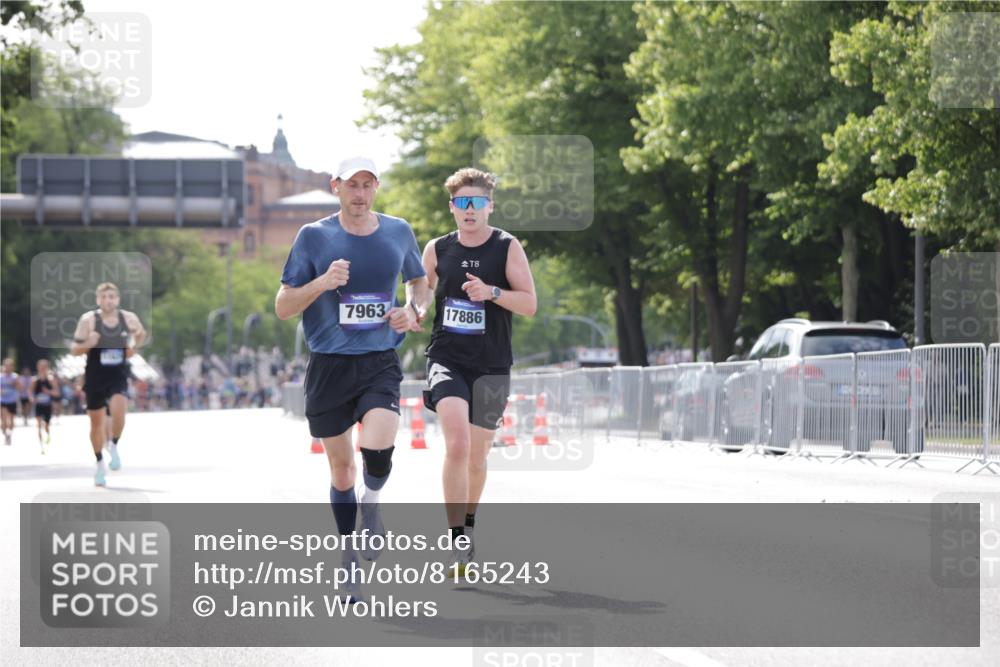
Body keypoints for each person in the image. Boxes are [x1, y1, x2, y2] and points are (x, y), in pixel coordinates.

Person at [275, 156, 430, 602]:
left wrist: (413, 311)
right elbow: (284, 306)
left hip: (379, 360)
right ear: (335, 187)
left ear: (376, 188)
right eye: (351, 185)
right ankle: (346, 563)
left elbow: (419, 283)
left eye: (368, 185)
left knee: (377, 448)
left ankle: (373, 504)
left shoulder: (398, 231)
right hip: (328, 365)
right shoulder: (314, 236)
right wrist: (322, 283)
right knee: (341, 469)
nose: (360, 194)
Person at [421, 168, 537, 575]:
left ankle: (468, 528)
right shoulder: (437, 249)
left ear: (489, 206)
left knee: (477, 454)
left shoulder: (507, 247)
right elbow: (419, 291)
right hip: (447, 358)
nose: (469, 211)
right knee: (456, 445)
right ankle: (456, 544)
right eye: (462, 203)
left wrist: (492, 293)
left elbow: (529, 304)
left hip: (491, 364)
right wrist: (414, 310)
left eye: (477, 203)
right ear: (452, 207)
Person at [70, 282, 146, 487]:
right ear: (98, 300)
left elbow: (140, 336)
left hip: (117, 374)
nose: (108, 301)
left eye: (112, 297)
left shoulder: (128, 318)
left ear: (118, 299)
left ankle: (113, 445)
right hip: (95, 376)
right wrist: (89, 343)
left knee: (119, 410)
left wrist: (135, 343)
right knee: (96, 423)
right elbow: (74, 350)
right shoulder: (88, 320)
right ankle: (99, 464)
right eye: (104, 297)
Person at [30, 359, 60, 453]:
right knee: (38, 425)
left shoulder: (51, 380)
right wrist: (32, 398)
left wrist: (48, 392)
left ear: (47, 368)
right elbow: (30, 392)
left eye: (44, 367)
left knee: (46, 425)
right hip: (39, 405)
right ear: (38, 368)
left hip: (47, 405)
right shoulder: (35, 380)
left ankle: (47, 434)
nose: (43, 369)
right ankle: (41, 446)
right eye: (41, 367)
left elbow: (57, 393)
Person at [1, 358, 20, 445]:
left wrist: (15, 384)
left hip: (12, 400)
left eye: (9, 366)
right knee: (4, 420)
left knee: (11, 421)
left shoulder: (15, 376)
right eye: (6, 366)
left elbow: (20, 388)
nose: (8, 367)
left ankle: (9, 434)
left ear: (12, 367)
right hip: (3, 400)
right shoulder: (1, 377)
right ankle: (5, 434)